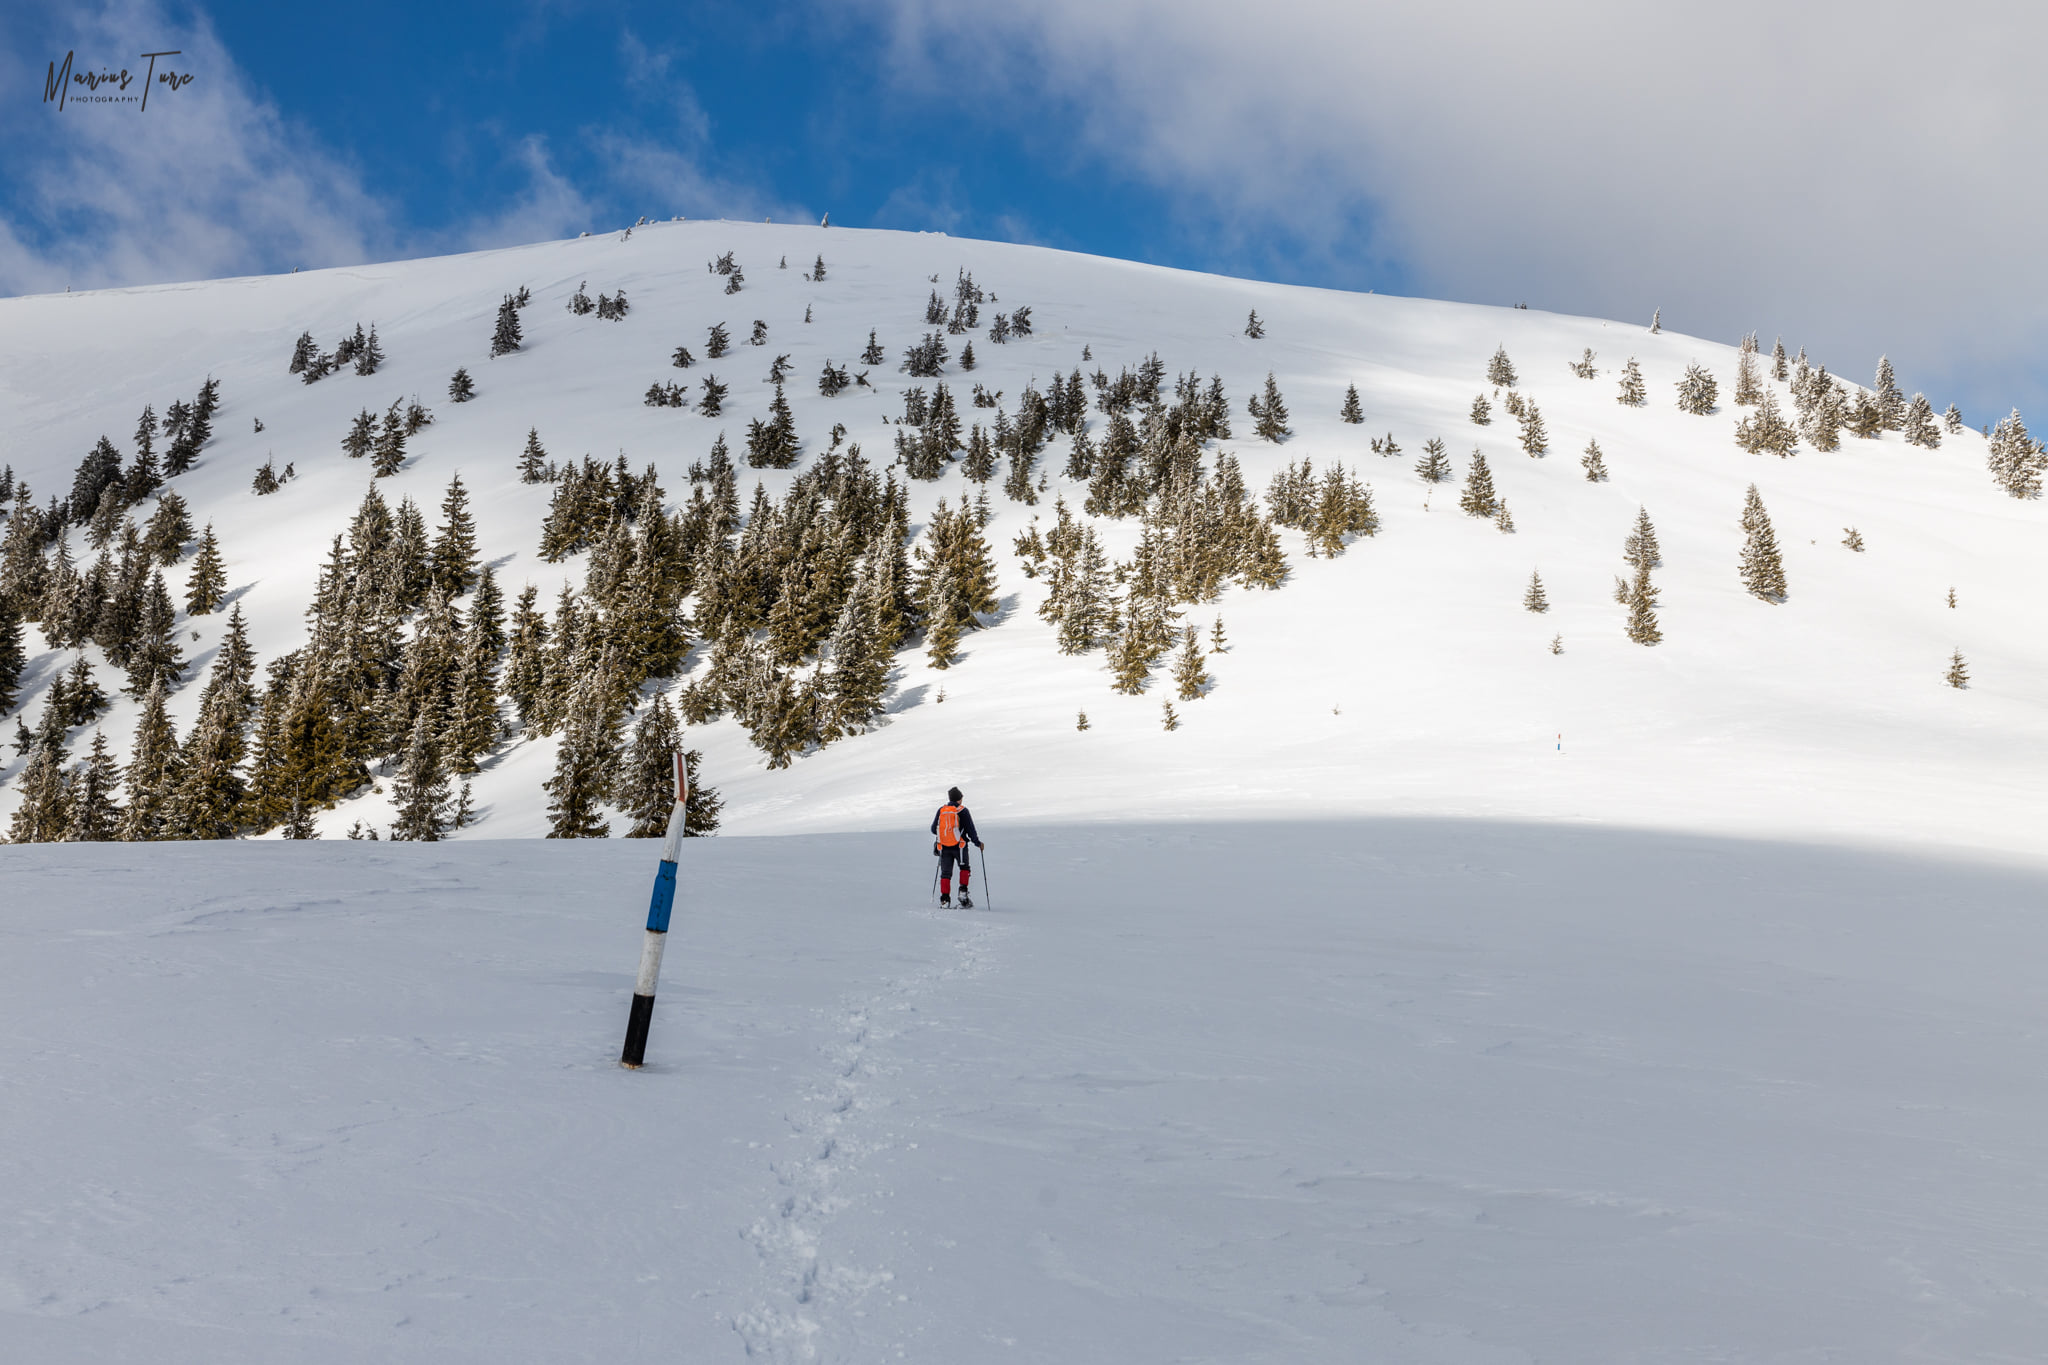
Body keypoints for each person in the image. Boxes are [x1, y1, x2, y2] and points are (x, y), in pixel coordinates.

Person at [931, 786, 984, 908]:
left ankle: (944, 901)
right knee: (964, 868)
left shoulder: (942, 810)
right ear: (959, 798)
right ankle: (963, 895)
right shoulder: (963, 811)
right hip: (960, 846)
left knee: (945, 874)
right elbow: (971, 830)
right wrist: (977, 843)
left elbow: (934, 829)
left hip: (944, 847)